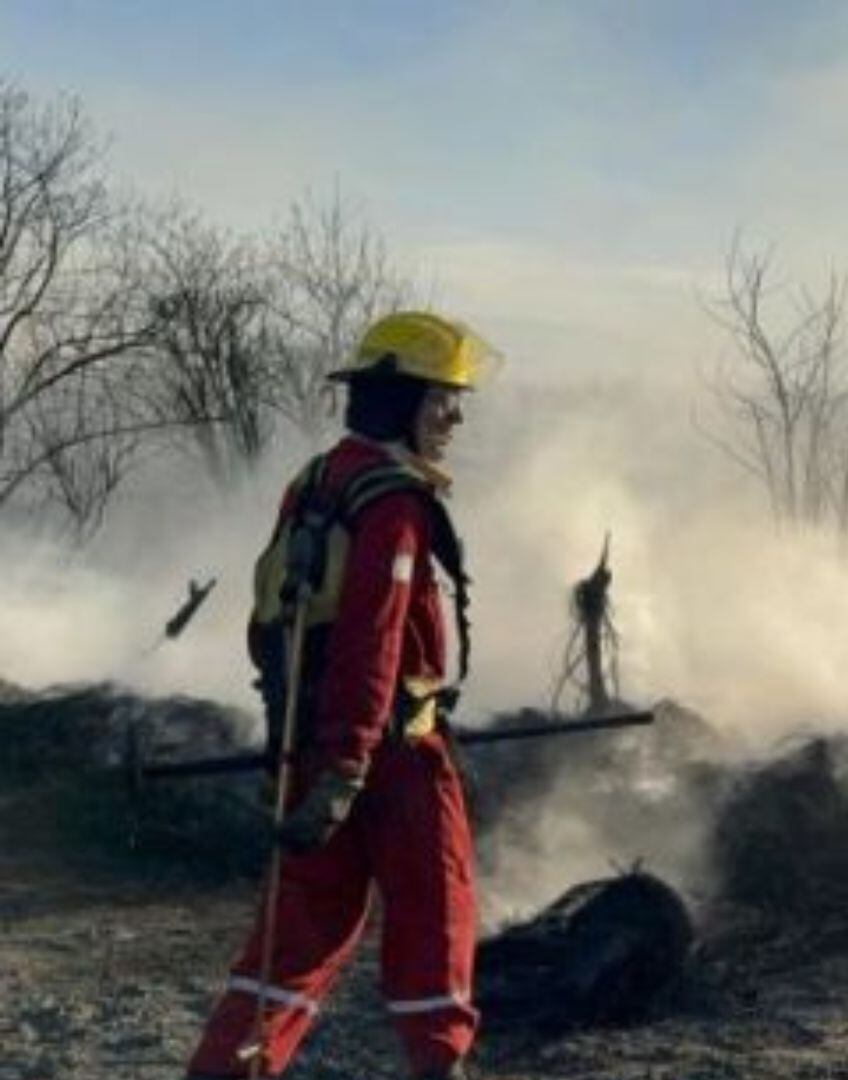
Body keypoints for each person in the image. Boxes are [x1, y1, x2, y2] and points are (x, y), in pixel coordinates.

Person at [186, 311, 495, 1080]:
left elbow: (271, 629)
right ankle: (442, 1069)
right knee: (437, 922)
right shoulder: (391, 501)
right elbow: (374, 637)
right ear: (399, 402)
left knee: (292, 943)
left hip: (311, 747)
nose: (454, 416)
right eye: (441, 399)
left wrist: (296, 757)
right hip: (393, 760)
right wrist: (353, 766)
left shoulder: (318, 481)